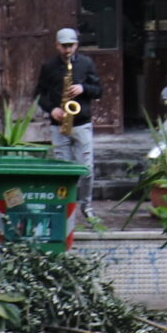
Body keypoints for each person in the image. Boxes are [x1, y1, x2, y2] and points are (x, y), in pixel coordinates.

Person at [34, 27, 104, 205]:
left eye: (71, 46)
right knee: (62, 170)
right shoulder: (49, 66)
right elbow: (38, 94)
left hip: (81, 124)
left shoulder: (86, 63)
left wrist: (83, 88)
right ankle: (63, 205)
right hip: (59, 125)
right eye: (64, 46)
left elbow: (98, 91)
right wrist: (52, 110)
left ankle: (86, 205)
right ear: (57, 46)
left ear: (77, 45)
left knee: (87, 169)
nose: (67, 50)